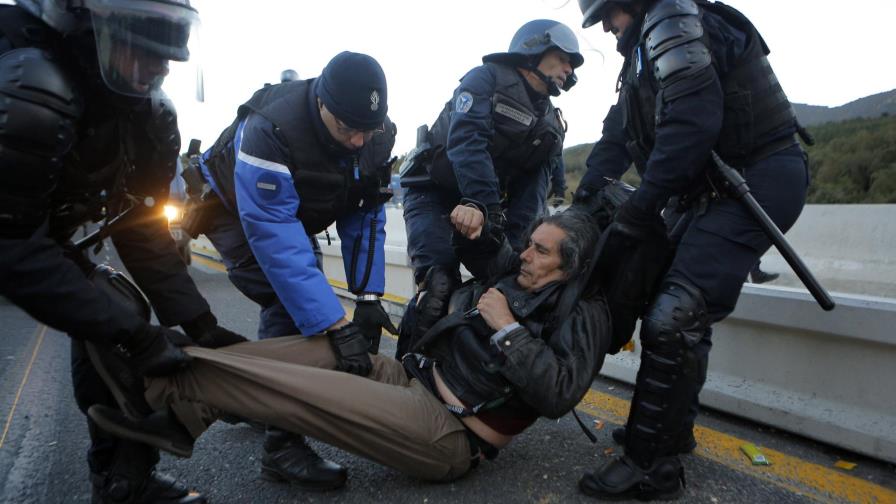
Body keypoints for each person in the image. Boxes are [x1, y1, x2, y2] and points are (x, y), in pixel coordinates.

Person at [85, 209, 612, 488]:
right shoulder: (519, 276)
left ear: (571, 265)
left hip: (448, 433)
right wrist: (471, 221)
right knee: (318, 351)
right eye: (529, 243)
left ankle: (155, 376)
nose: (525, 255)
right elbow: (484, 249)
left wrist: (507, 330)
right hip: (409, 379)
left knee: (304, 393)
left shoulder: (584, 314)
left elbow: (559, 394)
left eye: (540, 251)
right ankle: (180, 400)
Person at [0, 1, 249, 502]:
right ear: (87, 32)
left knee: (118, 308)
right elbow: (11, 247)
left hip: (36, 225)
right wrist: (137, 338)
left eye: (165, 53)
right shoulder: (29, 85)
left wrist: (199, 322)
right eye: (140, 46)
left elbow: (137, 225)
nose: (159, 67)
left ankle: (121, 481)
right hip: (12, 227)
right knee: (123, 326)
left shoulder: (145, 113)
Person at [572, 0, 811, 499]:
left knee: (675, 314)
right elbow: (618, 134)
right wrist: (583, 200)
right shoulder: (641, 52)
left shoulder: (674, 19)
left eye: (611, 14)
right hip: (706, 189)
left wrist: (642, 210)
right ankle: (671, 430)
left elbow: (692, 124)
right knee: (661, 298)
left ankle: (650, 464)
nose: (610, 27)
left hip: (758, 177)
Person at [178, 51, 399, 490]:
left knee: (305, 299)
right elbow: (274, 230)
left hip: (295, 212)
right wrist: (335, 323)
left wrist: (369, 297)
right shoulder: (270, 128)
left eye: (366, 130)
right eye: (346, 129)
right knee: (294, 305)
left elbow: (366, 213)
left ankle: (256, 396)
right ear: (322, 105)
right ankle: (281, 446)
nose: (357, 141)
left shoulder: (376, 136)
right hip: (235, 211)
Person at [397, 18, 583, 355]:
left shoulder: (551, 125)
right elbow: (466, 142)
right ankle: (406, 367)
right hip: (433, 192)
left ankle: (458, 376)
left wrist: (514, 251)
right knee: (438, 284)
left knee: (510, 284)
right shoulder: (485, 79)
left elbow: (532, 193)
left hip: (485, 212)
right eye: (564, 58)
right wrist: (486, 205)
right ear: (534, 49)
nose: (569, 69)